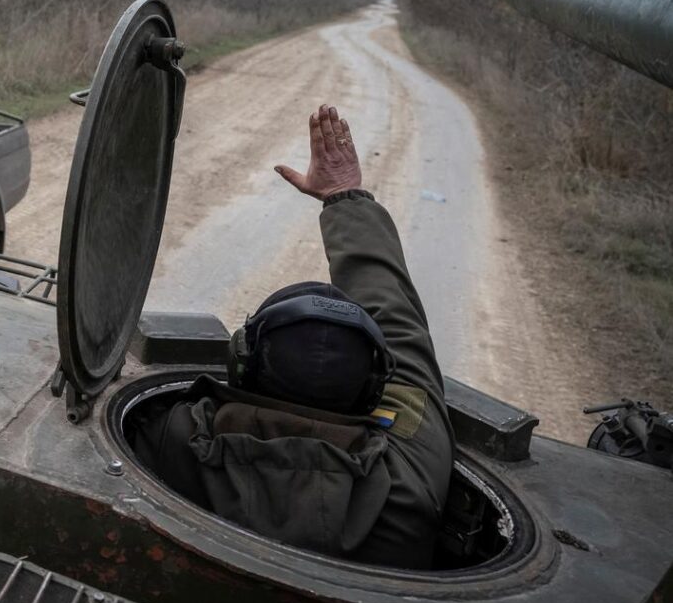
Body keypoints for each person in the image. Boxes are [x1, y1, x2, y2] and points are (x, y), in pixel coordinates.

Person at [130, 104, 454, 570]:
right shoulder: (411, 484)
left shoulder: (173, 437)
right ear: (373, 391)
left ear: (242, 362)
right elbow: (402, 332)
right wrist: (346, 197)